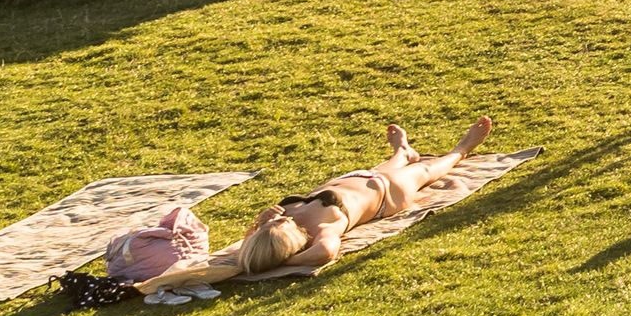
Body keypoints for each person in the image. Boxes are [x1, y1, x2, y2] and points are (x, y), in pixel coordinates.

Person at [130, 117, 495, 285]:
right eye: (276, 226)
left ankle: (403, 150)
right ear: (290, 243)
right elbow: (325, 254)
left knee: (389, 162)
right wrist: (285, 261)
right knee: (433, 170)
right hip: (389, 193)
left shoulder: (280, 220)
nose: (277, 219)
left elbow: (250, 242)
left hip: (360, 177)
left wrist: (260, 220)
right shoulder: (325, 228)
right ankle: (462, 148)